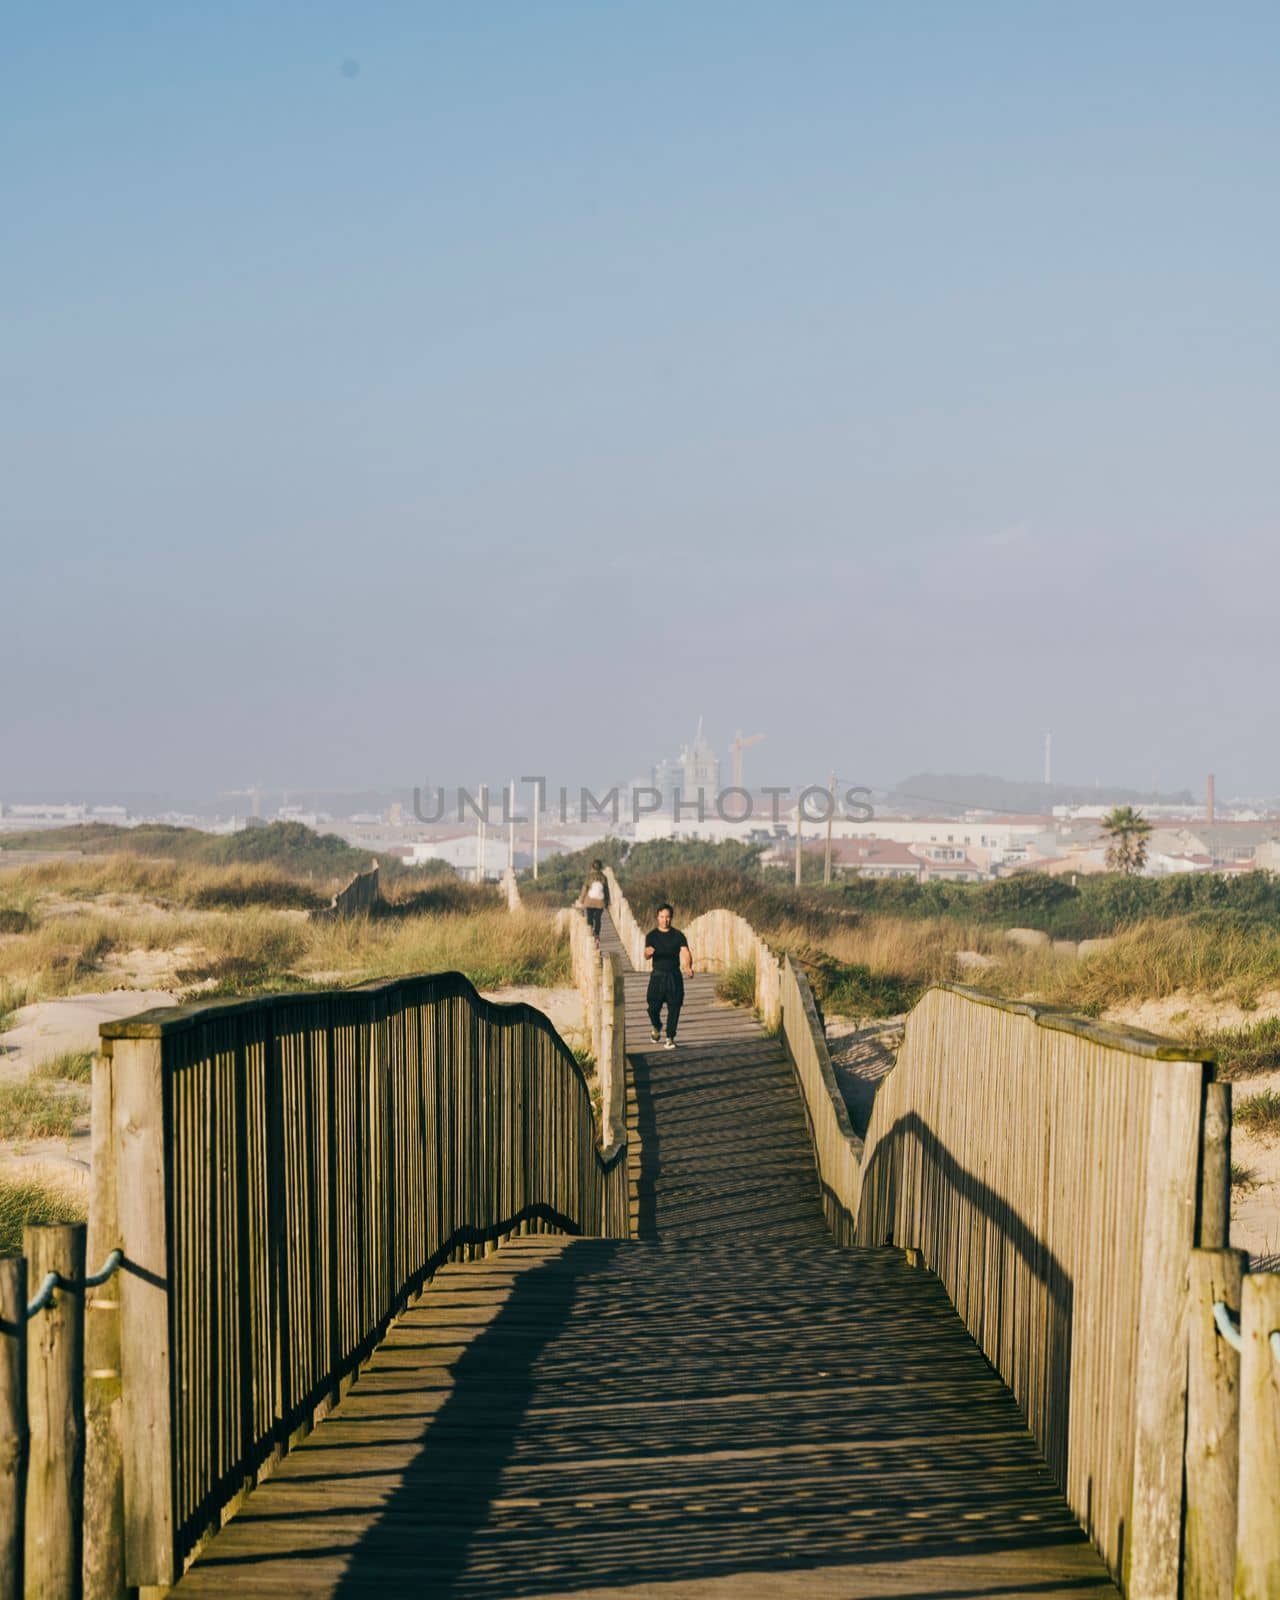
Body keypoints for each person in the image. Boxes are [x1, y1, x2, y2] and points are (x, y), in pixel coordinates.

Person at [644, 902, 692, 1049]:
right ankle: (657, 1026)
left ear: (671, 918)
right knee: (652, 1007)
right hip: (657, 976)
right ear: (657, 917)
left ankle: (670, 1037)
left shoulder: (678, 935)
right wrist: (648, 953)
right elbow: (645, 954)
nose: (665, 920)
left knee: (674, 1007)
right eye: (662, 917)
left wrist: (688, 966)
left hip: (674, 976)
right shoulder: (651, 936)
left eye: (667, 917)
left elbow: (685, 952)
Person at [579, 859, 610, 938]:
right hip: (600, 902)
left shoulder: (589, 877)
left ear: (592, 867)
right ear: (601, 867)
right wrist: (607, 902)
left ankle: (590, 932)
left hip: (589, 902)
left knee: (589, 917)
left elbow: (584, 889)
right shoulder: (604, 877)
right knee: (598, 918)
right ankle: (597, 934)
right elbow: (606, 891)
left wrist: (582, 900)